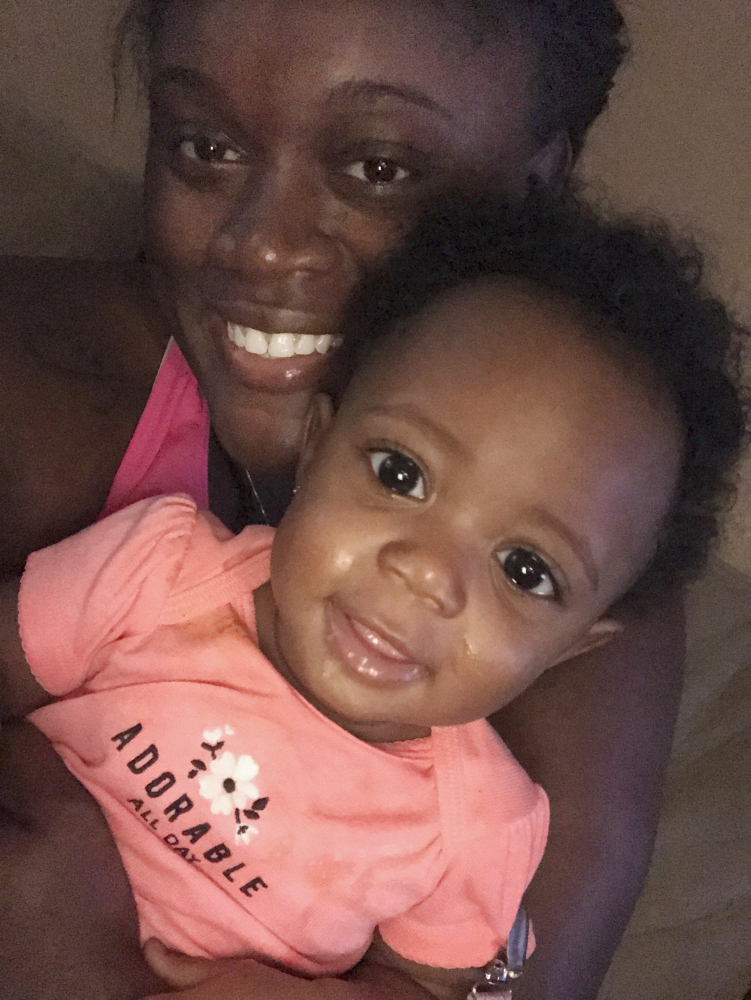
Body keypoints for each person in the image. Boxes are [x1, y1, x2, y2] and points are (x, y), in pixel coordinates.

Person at [0, 0, 686, 998]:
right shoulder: (41, 391)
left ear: (538, 184)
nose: (264, 245)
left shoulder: (600, 537)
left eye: (378, 166)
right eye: (204, 145)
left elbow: (512, 975)